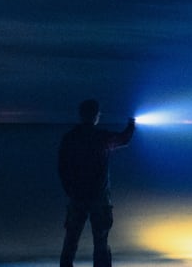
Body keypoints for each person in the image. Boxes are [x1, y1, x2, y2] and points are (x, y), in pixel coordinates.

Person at [58, 100, 136, 267]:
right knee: (101, 242)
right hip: (99, 199)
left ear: (81, 115)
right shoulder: (101, 137)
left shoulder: (70, 138)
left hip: (77, 197)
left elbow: (62, 167)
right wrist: (131, 124)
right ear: (95, 116)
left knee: (70, 242)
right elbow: (124, 139)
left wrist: (69, 190)